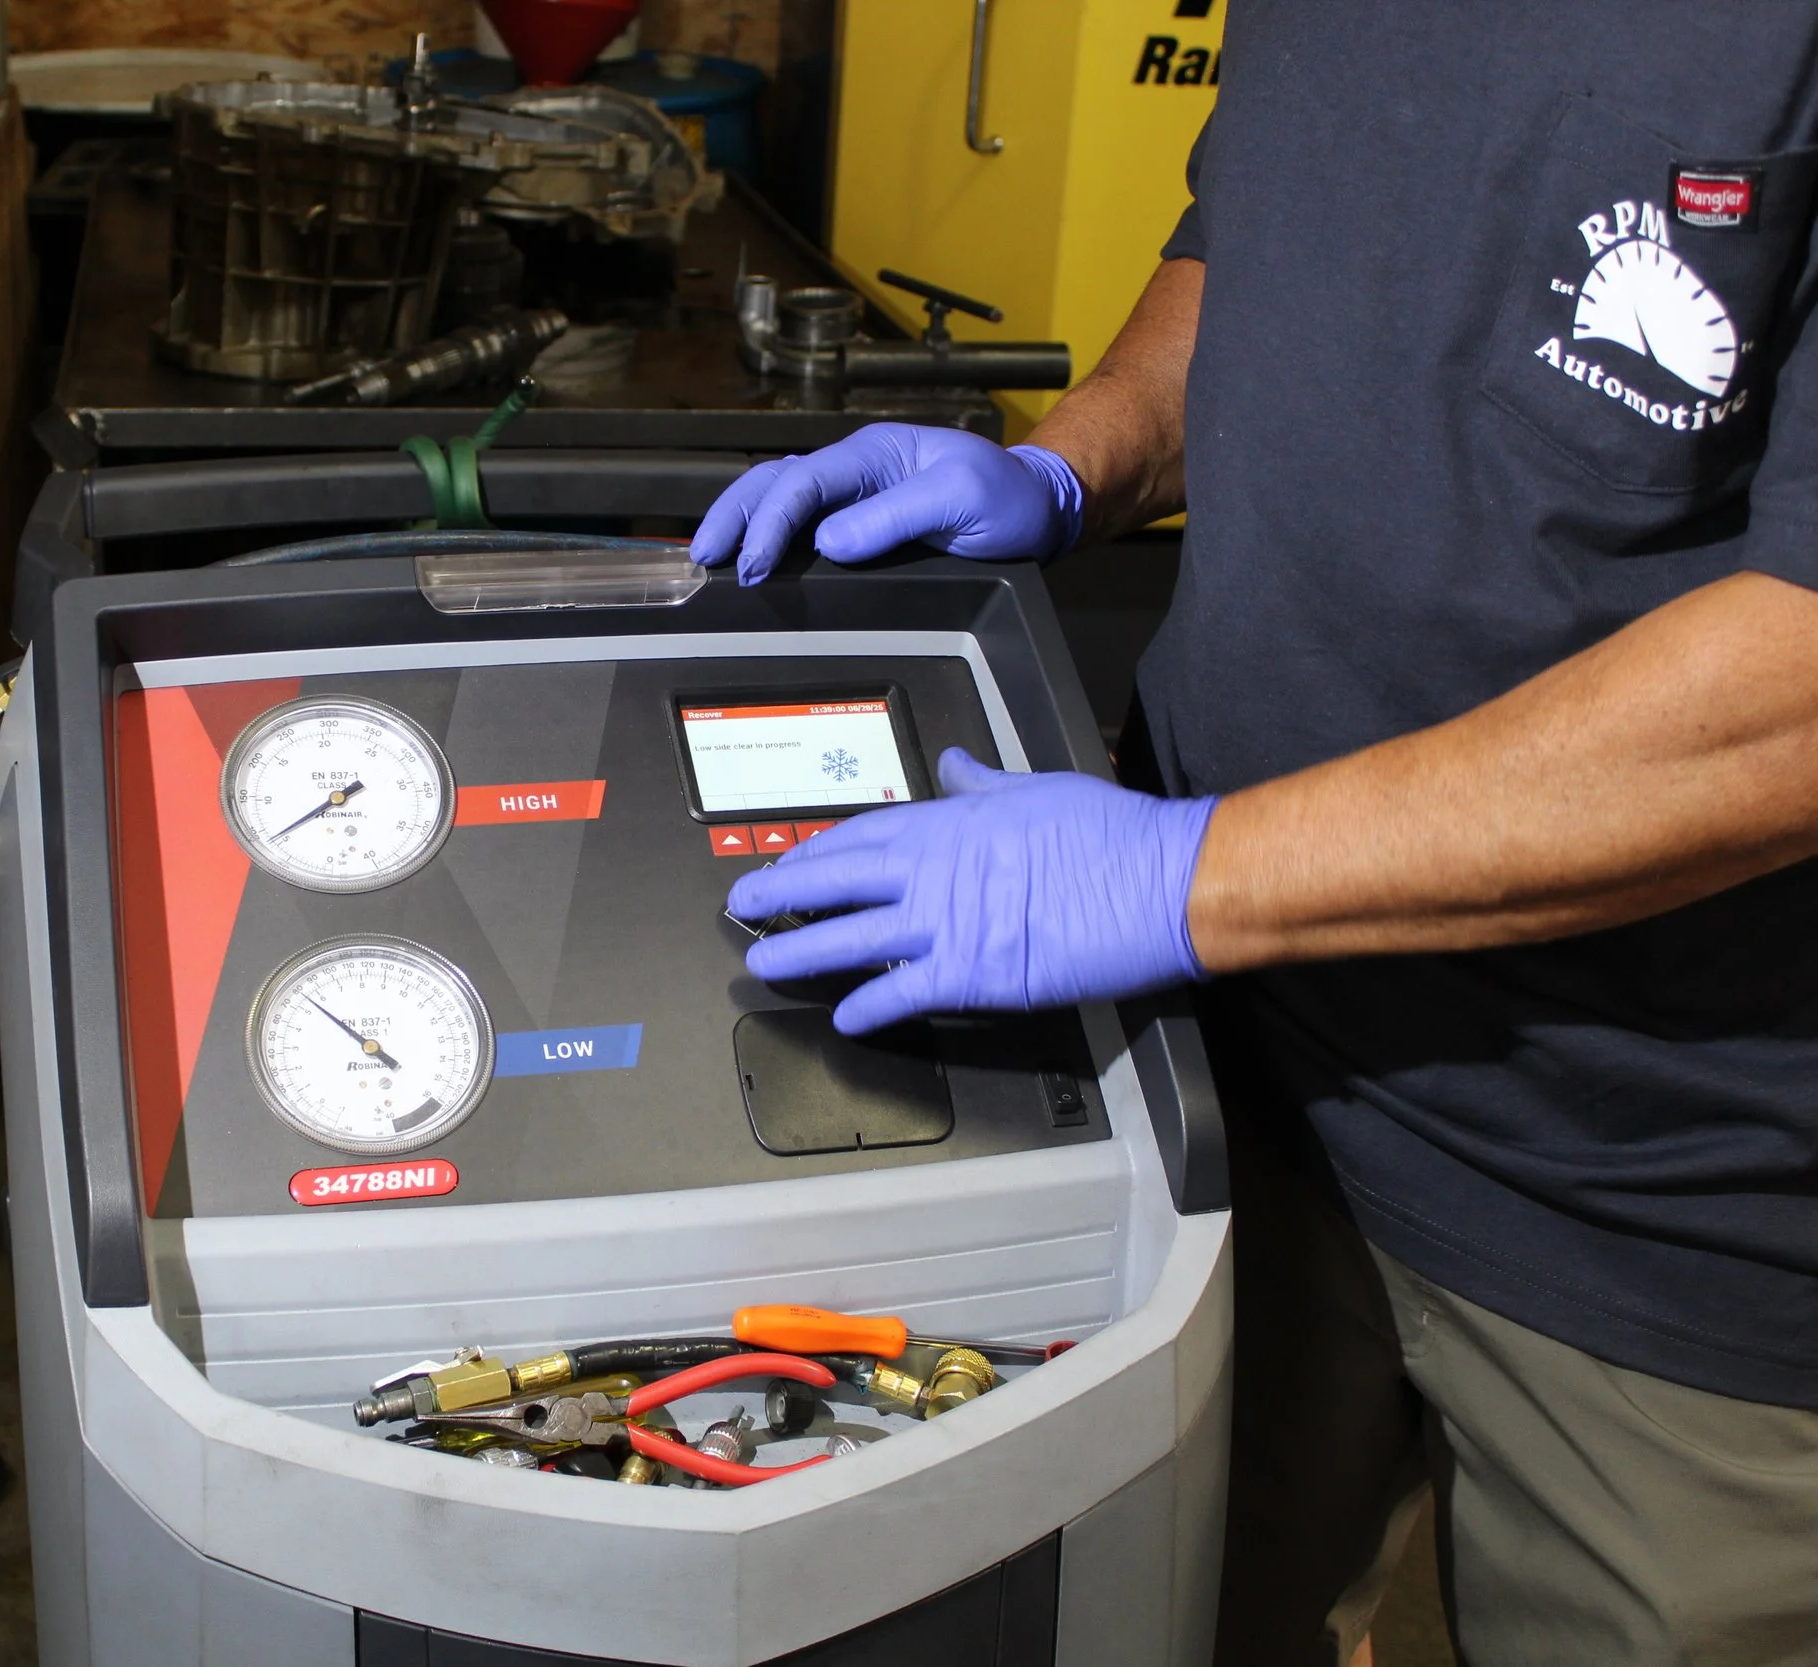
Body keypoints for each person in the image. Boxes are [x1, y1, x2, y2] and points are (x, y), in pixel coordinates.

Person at [691, 9, 1818, 1665]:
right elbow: (1263, 242)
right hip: (1231, 1084)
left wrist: (1180, 873)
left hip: (1652, 1183)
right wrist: (1076, 465)